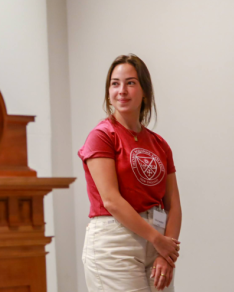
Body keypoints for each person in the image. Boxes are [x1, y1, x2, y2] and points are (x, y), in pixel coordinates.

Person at [78, 54, 182, 292]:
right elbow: (111, 200)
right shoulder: (102, 136)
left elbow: (173, 204)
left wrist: (166, 253)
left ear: (145, 91)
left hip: (158, 240)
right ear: (108, 92)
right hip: (115, 242)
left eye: (131, 83)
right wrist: (158, 241)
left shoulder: (159, 144)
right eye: (115, 83)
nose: (122, 90)